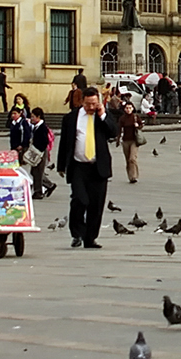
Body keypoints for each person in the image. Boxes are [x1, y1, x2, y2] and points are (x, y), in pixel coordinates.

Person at [56, 85, 114, 248]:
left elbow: (113, 132)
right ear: (82, 102)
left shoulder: (102, 117)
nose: (91, 107)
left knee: (96, 205)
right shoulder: (71, 118)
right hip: (78, 166)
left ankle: (90, 238)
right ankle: (77, 234)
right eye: (88, 104)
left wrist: (102, 114)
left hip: (98, 167)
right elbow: (65, 143)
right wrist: (61, 165)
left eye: (94, 104)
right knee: (79, 200)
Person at [26, 107, 52, 199]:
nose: (31, 118)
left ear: (38, 117)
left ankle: (39, 192)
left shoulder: (42, 127)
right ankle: (49, 186)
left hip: (40, 152)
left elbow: (45, 141)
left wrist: (38, 151)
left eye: (33, 117)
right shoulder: (36, 127)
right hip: (36, 150)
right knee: (34, 172)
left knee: (38, 172)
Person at [118, 100, 142, 184]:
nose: (128, 109)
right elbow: (119, 129)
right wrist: (117, 140)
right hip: (125, 141)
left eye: (130, 108)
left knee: (132, 158)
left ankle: (134, 176)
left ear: (132, 108)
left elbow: (141, 126)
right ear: (124, 109)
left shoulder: (135, 117)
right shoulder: (122, 118)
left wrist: (137, 126)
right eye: (127, 108)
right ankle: (130, 176)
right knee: (128, 159)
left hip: (134, 141)